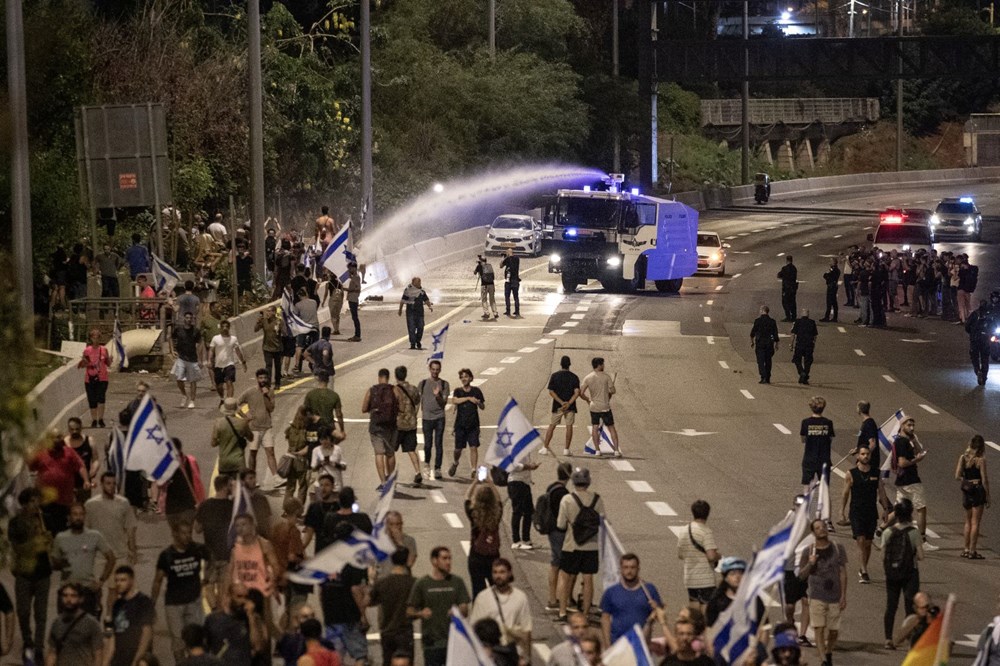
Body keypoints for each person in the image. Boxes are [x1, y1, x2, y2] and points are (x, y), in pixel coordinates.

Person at [152, 521, 211, 663]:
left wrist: (207, 577)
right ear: (175, 534)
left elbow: (210, 560)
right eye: (183, 533)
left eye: (189, 533)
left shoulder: (197, 550)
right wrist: (151, 604)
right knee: (178, 641)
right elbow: (158, 580)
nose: (187, 536)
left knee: (195, 637)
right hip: (174, 603)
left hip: (193, 601)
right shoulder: (166, 556)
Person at [9, 488, 54, 662]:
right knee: (23, 611)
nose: (37, 505)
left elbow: (51, 543)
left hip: (43, 572)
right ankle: (27, 640)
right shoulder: (16, 523)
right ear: (25, 503)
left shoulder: (44, 520)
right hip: (24, 573)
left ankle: (38, 647)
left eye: (38, 501)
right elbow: (17, 547)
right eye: (33, 501)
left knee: (41, 614)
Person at [555, 466, 605, 622]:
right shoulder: (597, 499)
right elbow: (602, 521)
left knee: (565, 576)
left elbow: (561, 525)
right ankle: (585, 613)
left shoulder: (567, 499)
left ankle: (563, 611)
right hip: (591, 545)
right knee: (588, 577)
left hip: (572, 545)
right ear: (588, 481)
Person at [406, 546, 470, 666]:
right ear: (434, 561)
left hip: (453, 642)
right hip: (432, 643)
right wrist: (420, 613)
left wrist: (458, 611)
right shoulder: (423, 583)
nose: (448, 562)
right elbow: (409, 611)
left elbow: (465, 609)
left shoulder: (457, 582)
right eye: (444, 558)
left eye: (450, 558)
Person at [51, 503, 116, 616]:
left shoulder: (94, 536)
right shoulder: (60, 538)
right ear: (69, 517)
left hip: (87, 590)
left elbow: (111, 558)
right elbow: (54, 564)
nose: (78, 517)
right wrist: (60, 563)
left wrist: (101, 581)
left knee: (87, 629)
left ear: (85, 516)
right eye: (75, 514)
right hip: (66, 590)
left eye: (81, 514)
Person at [84, 471, 137, 610]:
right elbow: (85, 530)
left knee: (114, 591)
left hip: (119, 554)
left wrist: (133, 550)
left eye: (114, 483)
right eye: (108, 483)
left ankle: (109, 620)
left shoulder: (123, 503)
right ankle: (98, 613)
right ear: (102, 485)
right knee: (96, 591)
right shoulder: (91, 505)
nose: (111, 486)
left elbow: (130, 529)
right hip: (98, 556)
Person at [797, 520, 846, 666]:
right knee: (819, 628)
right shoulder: (808, 551)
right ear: (813, 533)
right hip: (816, 595)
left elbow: (843, 573)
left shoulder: (838, 548)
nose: (822, 529)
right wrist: (811, 563)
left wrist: (843, 595)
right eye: (817, 528)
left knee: (833, 630)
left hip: (834, 596)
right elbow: (801, 575)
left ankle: (828, 651)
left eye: (823, 527)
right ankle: (824, 660)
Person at [319, 523, 370, 665]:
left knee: (335, 658)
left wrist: (325, 610)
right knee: (360, 655)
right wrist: (363, 615)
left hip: (331, 616)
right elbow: (355, 590)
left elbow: (321, 590)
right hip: (350, 615)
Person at [470, 558, 533, 657]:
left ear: (509, 573)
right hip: (491, 652)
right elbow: (474, 627)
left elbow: (526, 629)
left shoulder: (520, 597)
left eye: (502, 572)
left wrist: (527, 657)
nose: (498, 576)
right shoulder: (483, 598)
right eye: (495, 572)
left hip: (511, 651)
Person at [881, 499, 923, 649]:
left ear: (896, 515)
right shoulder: (914, 533)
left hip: (892, 573)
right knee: (910, 607)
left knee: (891, 606)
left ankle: (888, 639)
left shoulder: (887, 532)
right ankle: (909, 637)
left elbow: (883, 555)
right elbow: (921, 556)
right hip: (910, 573)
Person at [31, 431, 89, 535]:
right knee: (49, 529)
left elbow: (80, 466)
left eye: (59, 437)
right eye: (54, 438)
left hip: (64, 500)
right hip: (46, 501)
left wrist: (86, 480)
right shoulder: (41, 454)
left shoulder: (69, 452)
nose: (58, 440)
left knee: (64, 529)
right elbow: (31, 466)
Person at [600, 553, 662, 645]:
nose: (629, 571)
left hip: (642, 644)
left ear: (638, 569)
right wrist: (607, 645)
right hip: (618, 644)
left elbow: (660, 615)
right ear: (621, 569)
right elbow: (605, 619)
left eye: (633, 567)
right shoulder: (611, 592)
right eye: (626, 567)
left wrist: (656, 609)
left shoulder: (649, 590)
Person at [194, 475, 234, 610]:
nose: (231, 488)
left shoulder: (205, 505)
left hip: (210, 554)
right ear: (224, 487)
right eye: (230, 485)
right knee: (224, 587)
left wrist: (199, 511)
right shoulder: (232, 506)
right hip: (227, 554)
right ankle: (222, 611)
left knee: (208, 585)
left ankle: (214, 609)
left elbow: (197, 529)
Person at [371, 546, 416, 666]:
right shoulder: (413, 583)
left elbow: (370, 601)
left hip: (387, 630)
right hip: (405, 631)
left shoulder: (382, 583)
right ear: (407, 560)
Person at [840, 446, 879, 584]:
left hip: (871, 512)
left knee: (868, 543)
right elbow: (845, 494)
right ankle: (864, 570)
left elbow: (882, 491)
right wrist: (842, 512)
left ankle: (864, 566)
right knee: (861, 540)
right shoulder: (851, 473)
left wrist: (886, 508)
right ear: (857, 456)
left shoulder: (876, 472)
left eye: (867, 454)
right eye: (863, 454)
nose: (865, 456)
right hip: (856, 512)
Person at [204, 582, 267, 666]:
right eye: (239, 596)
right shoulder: (213, 619)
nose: (243, 601)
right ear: (229, 596)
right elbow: (205, 647)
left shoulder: (252, 618)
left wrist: (251, 617)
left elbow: (258, 646)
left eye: (246, 597)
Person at [890, 417, 930, 545]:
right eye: (909, 425)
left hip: (902, 481)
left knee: (898, 509)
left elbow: (919, 451)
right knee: (921, 508)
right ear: (902, 426)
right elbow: (902, 462)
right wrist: (916, 460)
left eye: (913, 425)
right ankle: (922, 540)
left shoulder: (907, 441)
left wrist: (914, 439)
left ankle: (880, 530)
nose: (912, 428)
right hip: (911, 480)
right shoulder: (902, 442)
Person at [105, 566, 155, 666]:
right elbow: (112, 635)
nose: (118, 583)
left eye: (123, 580)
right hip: (119, 659)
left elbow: (147, 634)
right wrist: (105, 662)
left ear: (131, 581)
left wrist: (136, 661)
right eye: (116, 580)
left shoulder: (143, 602)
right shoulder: (117, 605)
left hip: (136, 658)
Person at [45, 582, 104, 666]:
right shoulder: (57, 623)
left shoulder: (91, 623)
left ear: (81, 599)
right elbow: (52, 652)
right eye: (65, 595)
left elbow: (98, 654)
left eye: (73, 596)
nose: (69, 599)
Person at [238, 369, 279, 488]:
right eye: (260, 378)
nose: (263, 380)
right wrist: (245, 416)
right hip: (254, 428)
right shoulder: (250, 392)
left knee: (270, 452)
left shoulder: (270, 392)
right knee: (253, 454)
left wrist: (266, 395)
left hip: (267, 427)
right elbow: (237, 403)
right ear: (257, 379)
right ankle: (252, 479)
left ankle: (276, 478)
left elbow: (271, 409)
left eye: (265, 378)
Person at [362, 368, 402, 490]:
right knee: (390, 453)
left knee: (379, 453)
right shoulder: (394, 389)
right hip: (391, 426)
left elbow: (363, 408)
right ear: (388, 377)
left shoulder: (372, 390)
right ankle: (391, 480)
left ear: (379, 377)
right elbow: (401, 406)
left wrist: (373, 409)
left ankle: (383, 482)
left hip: (376, 426)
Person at [541, 462, 573, 611]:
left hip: (550, 528)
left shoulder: (551, 487)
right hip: (559, 531)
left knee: (555, 563)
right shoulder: (564, 494)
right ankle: (560, 599)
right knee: (561, 565)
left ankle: (552, 597)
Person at [465, 478, 503, 599]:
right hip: (493, 558)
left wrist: (475, 482)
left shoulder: (474, 514)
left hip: (476, 557)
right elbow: (499, 500)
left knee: (477, 591)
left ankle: (479, 614)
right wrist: (491, 483)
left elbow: (466, 498)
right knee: (496, 590)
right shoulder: (497, 514)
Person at [678, 499, 720, 608]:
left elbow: (680, 554)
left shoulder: (683, 530)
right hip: (705, 579)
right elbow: (711, 556)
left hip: (690, 578)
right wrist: (718, 556)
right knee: (706, 610)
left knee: (694, 610)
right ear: (707, 513)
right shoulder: (706, 531)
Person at [956, 434, 990, 559]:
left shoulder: (963, 458)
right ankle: (972, 550)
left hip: (966, 490)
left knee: (967, 521)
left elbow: (957, 475)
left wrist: (966, 482)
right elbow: (985, 479)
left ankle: (965, 549)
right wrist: (988, 495)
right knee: (976, 522)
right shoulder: (980, 460)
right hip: (977, 490)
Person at [448, 368, 485, 478]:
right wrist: (468, 398)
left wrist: (478, 403)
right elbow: (454, 401)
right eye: (462, 377)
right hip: (460, 425)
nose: (464, 379)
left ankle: (473, 469)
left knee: (473, 447)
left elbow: (483, 406)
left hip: (473, 424)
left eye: (466, 376)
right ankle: (455, 462)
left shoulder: (477, 391)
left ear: (471, 378)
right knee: (458, 449)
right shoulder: (458, 391)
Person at [580, 357, 621, 457]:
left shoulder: (588, 377)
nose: (604, 366)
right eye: (602, 364)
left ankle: (597, 450)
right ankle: (616, 450)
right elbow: (613, 391)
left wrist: (588, 400)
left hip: (594, 406)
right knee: (611, 428)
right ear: (599, 365)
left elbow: (581, 393)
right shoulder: (606, 377)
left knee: (595, 427)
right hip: (605, 406)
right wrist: (609, 392)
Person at [541, 356, 580, 455]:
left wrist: (561, 402)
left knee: (552, 426)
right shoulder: (574, 377)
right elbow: (577, 392)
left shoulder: (555, 376)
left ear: (560, 364)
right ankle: (566, 449)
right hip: (570, 407)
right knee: (569, 426)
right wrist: (568, 403)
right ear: (569, 364)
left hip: (558, 406)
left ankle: (545, 448)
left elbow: (551, 391)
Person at [393, 366, 424, 485]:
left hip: (397, 424)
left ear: (396, 376)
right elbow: (417, 402)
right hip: (411, 423)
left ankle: (391, 475)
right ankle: (417, 472)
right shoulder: (413, 389)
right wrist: (413, 415)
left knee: (391, 451)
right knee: (411, 449)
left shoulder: (394, 390)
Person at [419, 361, 450, 480]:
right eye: (433, 369)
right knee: (427, 444)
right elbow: (417, 400)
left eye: (437, 369)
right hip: (427, 418)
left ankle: (437, 468)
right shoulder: (423, 383)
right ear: (430, 369)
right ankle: (427, 464)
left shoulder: (444, 384)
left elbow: (444, 403)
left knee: (438, 444)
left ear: (440, 370)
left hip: (439, 418)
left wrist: (438, 395)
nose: (435, 372)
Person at [212, 398, 254, 476]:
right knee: (240, 486)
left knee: (224, 486)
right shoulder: (242, 423)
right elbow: (251, 438)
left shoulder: (218, 423)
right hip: (238, 461)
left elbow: (213, 443)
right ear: (236, 409)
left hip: (224, 461)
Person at [800, 396, 834, 492]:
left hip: (809, 458)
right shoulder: (828, 423)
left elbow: (803, 439)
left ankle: (806, 506)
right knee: (824, 488)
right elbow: (830, 439)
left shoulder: (806, 422)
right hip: (824, 459)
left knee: (807, 486)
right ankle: (824, 506)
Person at [78, 328, 110, 428]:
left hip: (102, 377)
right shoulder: (87, 351)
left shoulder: (104, 350)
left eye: (97, 337)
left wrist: (110, 359)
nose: (95, 339)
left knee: (101, 398)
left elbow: (108, 363)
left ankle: (100, 419)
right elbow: (82, 365)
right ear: (91, 338)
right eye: (93, 337)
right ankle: (94, 419)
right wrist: (84, 362)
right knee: (92, 399)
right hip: (90, 378)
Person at [172, 312, 204, 408]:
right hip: (181, 357)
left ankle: (192, 400)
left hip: (192, 358)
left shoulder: (195, 331)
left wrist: (200, 359)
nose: (189, 319)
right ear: (184, 318)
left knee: (192, 380)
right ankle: (184, 395)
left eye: (190, 318)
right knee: (179, 378)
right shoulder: (178, 330)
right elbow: (171, 338)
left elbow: (200, 344)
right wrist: (172, 350)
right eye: (187, 318)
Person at [209, 319, 248, 400]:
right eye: (223, 327)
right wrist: (209, 360)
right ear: (220, 328)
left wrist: (243, 362)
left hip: (229, 364)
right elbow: (211, 350)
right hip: (218, 365)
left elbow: (238, 351)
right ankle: (222, 399)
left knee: (229, 382)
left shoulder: (233, 339)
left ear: (229, 328)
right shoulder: (215, 338)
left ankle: (229, 401)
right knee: (219, 386)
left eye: (227, 326)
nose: (225, 328)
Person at [508, 451, 539, 550]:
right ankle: (516, 541)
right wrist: (529, 466)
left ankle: (526, 539)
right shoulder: (515, 447)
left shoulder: (525, 447)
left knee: (529, 511)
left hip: (525, 482)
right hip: (516, 482)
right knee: (517, 512)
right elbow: (512, 466)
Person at [64, 417, 99, 504]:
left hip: (84, 484)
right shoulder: (64, 444)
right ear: (68, 429)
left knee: (85, 507)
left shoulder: (89, 441)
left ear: (81, 428)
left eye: (77, 429)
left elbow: (95, 459)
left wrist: (93, 470)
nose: (74, 431)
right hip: (69, 485)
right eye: (72, 429)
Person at [706, 557, 746, 627]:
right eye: (732, 574)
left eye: (740, 573)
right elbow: (710, 627)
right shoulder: (716, 602)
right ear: (725, 578)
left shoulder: (754, 600)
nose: (737, 577)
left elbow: (763, 628)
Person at [376, 512, 418, 579]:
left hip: (402, 580)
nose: (395, 527)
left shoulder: (409, 541)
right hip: (383, 581)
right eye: (391, 524)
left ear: (402, 524)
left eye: (398, 524)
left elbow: (409, 563)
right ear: (386, 525)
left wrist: (400, 543)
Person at [310, 427, 347, 494]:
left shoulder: (337, 449)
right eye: (322, 439)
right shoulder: (316, 450)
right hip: (321, 485)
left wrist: (335, 464)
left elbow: (344, 466)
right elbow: (313, 468)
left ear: (330, 438)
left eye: (326, 439)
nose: (324, 442)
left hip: (336, 485)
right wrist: (321, 463)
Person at [399, 277, 433, 349]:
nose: (419, 284)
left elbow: (426, 300)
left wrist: (429, 306)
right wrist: (400, 310)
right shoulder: (408, 290)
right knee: (411, 328)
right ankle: (412, 343)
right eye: (418, 282)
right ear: (413, 283)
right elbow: (402, 301)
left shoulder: (422, 291)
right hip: (410, 312)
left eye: (420, 282)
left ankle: (418, 340)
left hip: (420, 312)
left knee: (421, 327)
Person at [966, 299, 994, 386]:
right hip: (985, 340)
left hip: (975, 340)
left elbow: (967, 326)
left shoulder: (974, 314)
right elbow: (993, 327)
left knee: (974, 358)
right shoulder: (989, 316)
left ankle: (977, 370)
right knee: (985, 359)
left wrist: (972, 333)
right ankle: (984, 377)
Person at [750, 305, 780, 384]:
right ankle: (768, 377)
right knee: (768, 360)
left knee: (760, 361)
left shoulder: (758, 321)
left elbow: (753, 332)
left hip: (760, 344)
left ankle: (763, 376)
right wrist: (776, 344)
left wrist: (752, 341)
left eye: (760, 310)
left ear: (763, 311)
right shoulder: (772, 321)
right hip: (769, 344)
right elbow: (775, 333)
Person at [256, 305, 284, 389]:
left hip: (277, 348)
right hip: (267, 348)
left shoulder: (279, 321)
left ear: (274, 312)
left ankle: (277, 383)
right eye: (267, 311)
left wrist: (279, 327)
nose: (267, 313)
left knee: (277, 366)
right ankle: (268, 383)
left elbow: (284, 332)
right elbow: (255, 329)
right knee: (268, 366)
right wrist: (258, 322)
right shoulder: (264, 321)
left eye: (269, 311)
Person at [790, 309, 819, 385]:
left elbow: (793, 334)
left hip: (800, 344)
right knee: (808, 361)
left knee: (797, 360)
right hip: (809, 345)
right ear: (808, 314)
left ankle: (801, 372)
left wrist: (791, 344)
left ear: (802, 314)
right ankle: (805, 376)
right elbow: (815, 335)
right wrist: (813, 343)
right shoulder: (812, 322)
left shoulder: (797, 322)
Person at [474, 255, 499, 320]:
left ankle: (486, 313)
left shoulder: (479, 266)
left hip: (484, 285)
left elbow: (474, 273)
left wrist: (478, 267)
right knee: (492, 299)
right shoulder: (489, 265)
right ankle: (495, 313)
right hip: (491, 285)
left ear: (481, 261)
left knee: (484, 299)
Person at [320, 271, 344, 336]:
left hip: (332, 300)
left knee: (333, 315)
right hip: (339, 301)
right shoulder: (340, 283)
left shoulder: (328, 284)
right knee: (337, 315)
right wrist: (342, 301)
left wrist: (323, 302)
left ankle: (335, 329)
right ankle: (337, 328)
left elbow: (326, 294)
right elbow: (342, 293)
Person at [500, 249, 521, 317]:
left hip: (509, 281)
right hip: (515, 280)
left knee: (507, 296)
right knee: (516, 297)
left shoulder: (507, 259)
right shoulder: (517, 258)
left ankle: (508, 310)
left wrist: (503, 258)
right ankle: (517, 311)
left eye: (507, 252)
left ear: (508, 253)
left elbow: (501, 266)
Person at [345, 262, 362, 341]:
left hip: (354, 299)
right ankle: (357, 335)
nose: (349, 270)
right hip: (351, 299)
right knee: (354, 317)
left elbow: (358, 289)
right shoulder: (354, 277)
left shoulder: (356, 277)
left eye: (350, 268)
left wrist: (346, 289)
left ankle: (357, 335)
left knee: (355, 318)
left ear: (354, 268)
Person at [778, 255, 798, 321]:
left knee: (785, 302)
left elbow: (779, 275)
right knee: (793, 302)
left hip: (786, 288)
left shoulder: (785, 268)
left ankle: (788, 316)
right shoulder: (794, 268)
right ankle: (794, 316)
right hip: (793, 288)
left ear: (787, 260)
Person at [820, 258, 840, 322]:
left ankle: (827, 317)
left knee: (830, 302)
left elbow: (827, 276)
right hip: (832, 286)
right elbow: (825, 275)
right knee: (833, 302)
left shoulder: (834, 270)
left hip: (832, 286)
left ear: (834, 262)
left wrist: (828, 275)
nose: (829, 262)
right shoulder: (833, 269)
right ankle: (834, 317)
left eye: (830, 261)